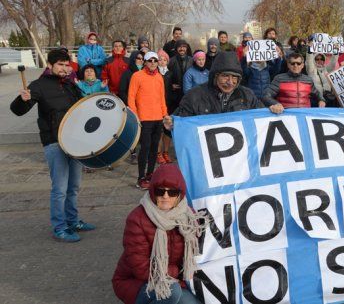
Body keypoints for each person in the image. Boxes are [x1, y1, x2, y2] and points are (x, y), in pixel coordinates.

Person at [10, 49, 94, 242]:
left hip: (75, 142)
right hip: (54, 142)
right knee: (60, 188)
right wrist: (21, 100)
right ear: (50, 65)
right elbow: (17, 111)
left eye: (67, 65)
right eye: (60, 65)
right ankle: (59, 227)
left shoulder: (71, 85)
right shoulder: (39, 85)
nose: (64, 68)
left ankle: (72, 221)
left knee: (74, 186)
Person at [112, 164, 205, 304]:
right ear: (152, 191)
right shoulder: (137, 219)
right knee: (172, 292)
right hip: (135, 282)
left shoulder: (188, 216)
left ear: (180, 194)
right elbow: (141, 269)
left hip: (173, 279)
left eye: (172, 192)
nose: (165, 196)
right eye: (160, 191)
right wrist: (179, 271)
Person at [165, 52, 279, 128]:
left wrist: (272, 111)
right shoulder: (194, 96)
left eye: (234, 77)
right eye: (225, 76)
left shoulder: (247, 95)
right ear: (215, 76)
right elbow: (180, 121)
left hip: (238, 159)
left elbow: (262, 118)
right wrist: (172, 123)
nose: (230, 82)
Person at [128, 52, 169, 189]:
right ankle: (141, 177)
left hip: (158, 118)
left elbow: (162, 97)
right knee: (144, 148)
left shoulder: (159, 77)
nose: (152, 63)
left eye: (155, 60)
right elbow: (131, 97)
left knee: (154, 149)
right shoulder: (137, 76)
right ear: (145, 62)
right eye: (149, 60)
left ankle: (150, 174)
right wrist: (135, 116)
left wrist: (165, 114)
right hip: (144, 119)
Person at [167, 40, 192, 114]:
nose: (182, 49)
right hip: (175, 95)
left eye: (184, 47)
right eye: (179, 47)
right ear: (176, 48)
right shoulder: (171, 61)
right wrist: (170, 85)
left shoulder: (191, 60)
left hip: (188, 93)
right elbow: (166, 76)